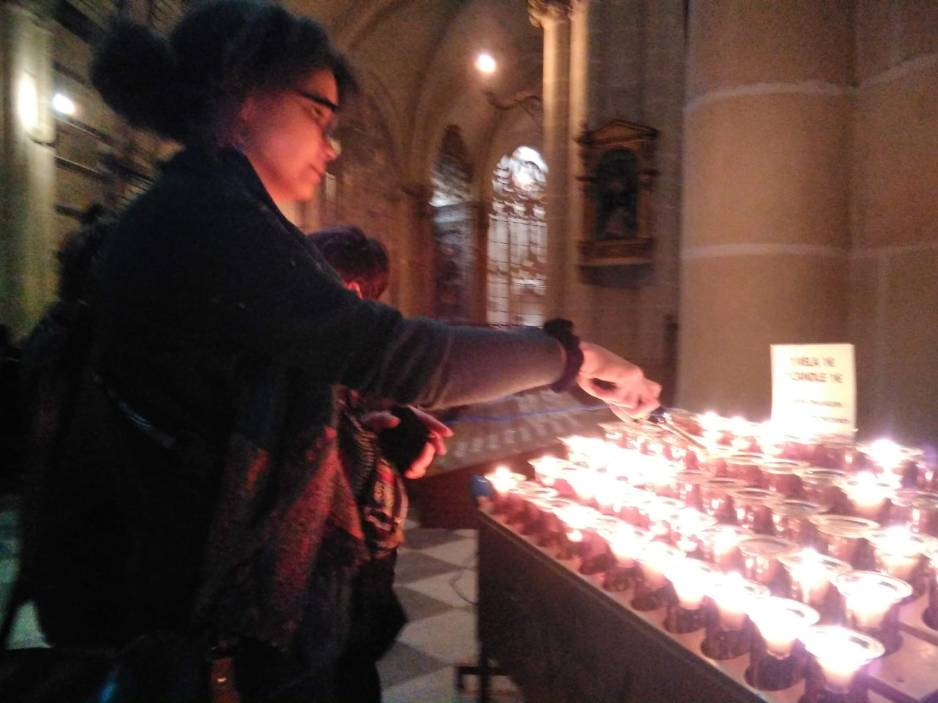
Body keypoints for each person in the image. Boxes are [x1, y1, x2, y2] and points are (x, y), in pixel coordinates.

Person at [24, 1, 660, 701]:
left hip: (206, 601)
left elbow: (229, 401)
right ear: (244, 97)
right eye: (319, 115)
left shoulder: (203, 210)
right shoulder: (210, 221)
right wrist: (572, 358)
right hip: (203, 624)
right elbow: (399, 355)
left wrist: (363, 445)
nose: (330, 145)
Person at [308, 225, 448, 701]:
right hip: (321, 598)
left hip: (345, 596)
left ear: (346, 291)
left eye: (310, 277)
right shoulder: (326, 367)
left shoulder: (350, 367)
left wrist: (387, 429)